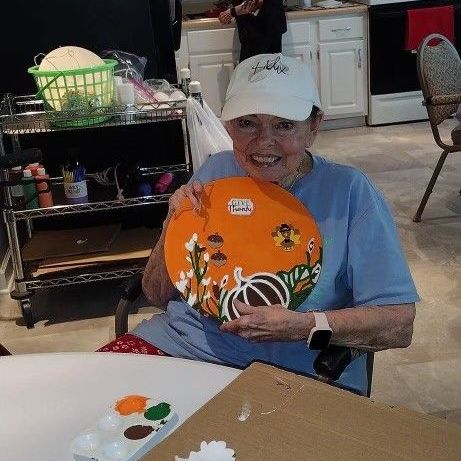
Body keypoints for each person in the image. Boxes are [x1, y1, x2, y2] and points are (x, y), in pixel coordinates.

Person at [99, 54, 418, 396]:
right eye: (248, 123)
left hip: (296, 375)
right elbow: (157, 293)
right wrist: (173, 226)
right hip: (183, 349)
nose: (264, 142)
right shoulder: (215, 172)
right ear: (228, 126)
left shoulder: (350, 193)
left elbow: (399, 325)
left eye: (284, 125)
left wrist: (304, 326)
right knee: (91, 401)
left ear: (314, 127)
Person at [218, 0, 287, 62]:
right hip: (264, 27)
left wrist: (231, 13)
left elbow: (256, 3)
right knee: (269, 70)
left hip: (261, 30)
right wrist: (229, 14)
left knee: (253, 71)